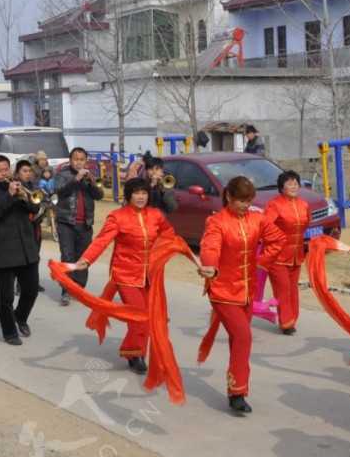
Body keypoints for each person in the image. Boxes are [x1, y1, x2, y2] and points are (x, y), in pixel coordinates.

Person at [196, 176, 289, 414]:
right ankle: (238, 392)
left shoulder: (257, 219)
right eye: (241, 200)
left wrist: (262, 262)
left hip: (248, 291)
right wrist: (211, 266)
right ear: (229, 197)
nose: (245, 205)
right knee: (244, 337)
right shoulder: (216, 222)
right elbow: (211, 247)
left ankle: (233, 388)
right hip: (222, 290)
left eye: (248, 201)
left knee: (238, 340)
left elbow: (278, 239)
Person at [69, 177, 178, 373]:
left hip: (149, 275)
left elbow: (169, 234)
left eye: (144, 193)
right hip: (125, 273)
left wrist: (167, 251)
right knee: (139, 315)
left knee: (149, 316)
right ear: (129, 195)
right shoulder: (117, 217)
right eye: (136, 193)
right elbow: (101, 241)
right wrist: (86, 260)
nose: (141, 197)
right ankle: (137, 355)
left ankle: (133, 350)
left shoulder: (156, 215)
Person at [0, 155, 42, 346]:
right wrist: (10, 195)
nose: (3, 173)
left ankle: (20, 317)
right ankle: (9, 332)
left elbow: (34, 206)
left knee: (31, 291)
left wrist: (23, 195)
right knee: (5, 297)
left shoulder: (20, 186)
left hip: (27, 249)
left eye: (6, 169)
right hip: (5, 251)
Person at [262, 169, 312, 335]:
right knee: (283, 289)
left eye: (296, 183)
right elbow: (265, 226)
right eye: (289, 183)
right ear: (281, 187)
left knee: (292, 289)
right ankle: (286, 323)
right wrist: (276, 241)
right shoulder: (275, 205)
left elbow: (306, 225)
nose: (293, 186)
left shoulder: (304, 205)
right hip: (277, 255)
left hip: (296, 255)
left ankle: (292, 318)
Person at [53, 147, 105, 304]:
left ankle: (79, 288)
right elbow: (59, 191)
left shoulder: (89, 177)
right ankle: (66, 291)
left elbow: (99, 195)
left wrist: (91, 183)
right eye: (76, 159)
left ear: (86, 161)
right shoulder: (63, 174)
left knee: (83, 258)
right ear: (70, 160)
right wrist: (76, 179)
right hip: (66, 223)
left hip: (85, 224)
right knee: (68, 257)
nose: (79, 162)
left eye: (82, 159)